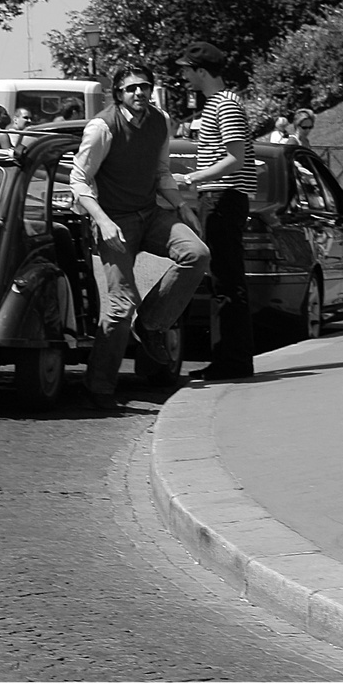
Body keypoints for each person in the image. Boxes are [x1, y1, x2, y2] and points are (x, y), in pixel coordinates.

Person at [70, 63, 210, 409]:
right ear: (118, 94)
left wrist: (181, 207)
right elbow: (79, 180)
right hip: (114, 221)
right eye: (131, 88)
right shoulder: (103, 127)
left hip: (150, 214)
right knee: (120, 306)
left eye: (144, 87)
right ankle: (99, 387)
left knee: (197, 253)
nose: (139, 93)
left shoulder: (160, 121)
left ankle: (151, 325)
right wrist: (102, 220)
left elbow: (161, 171)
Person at [176, 42, 257, 380]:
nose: (183, 76)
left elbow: (235, 158)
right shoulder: (218, 104)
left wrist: (193, 178)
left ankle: (233, 362)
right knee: (224, 281)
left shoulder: (225, 106)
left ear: (202, 71)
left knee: (227, 281)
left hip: (224, 198)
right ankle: (229, 358)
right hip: (220, 197)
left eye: (187, 69)